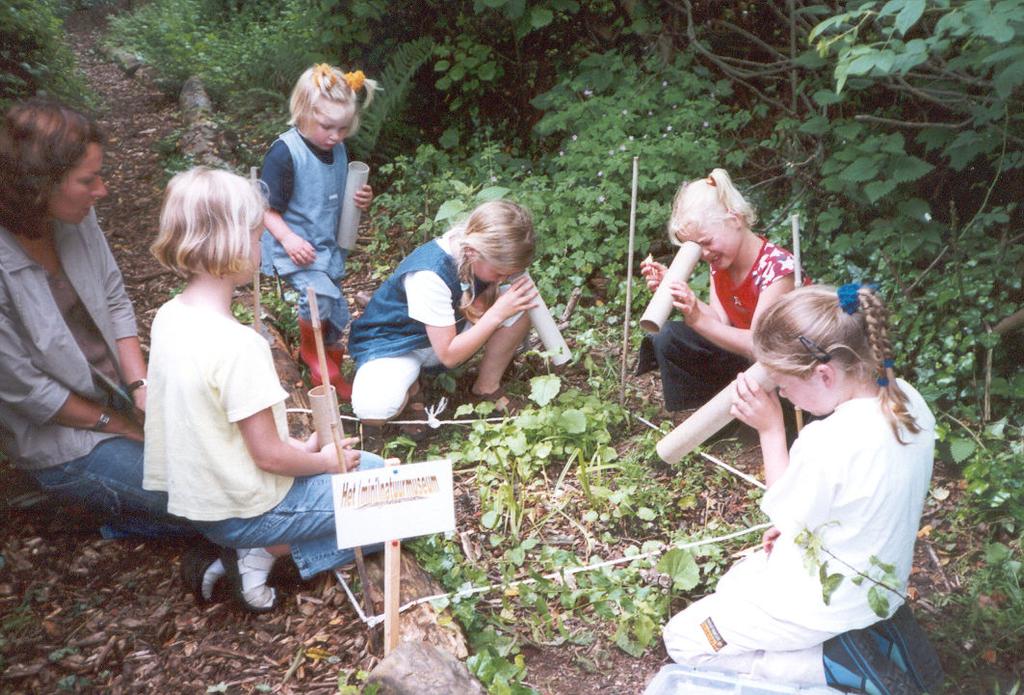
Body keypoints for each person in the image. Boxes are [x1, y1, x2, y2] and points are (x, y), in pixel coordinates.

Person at [662, 284, 939, 692]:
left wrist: (771, 431)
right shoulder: (908, 401)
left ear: (825, 374)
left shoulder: (828, 440)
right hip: (876, 586)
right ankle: (861, 641)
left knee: (684, 638)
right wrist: (794, 527)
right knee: (738, 580)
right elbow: (852, 501)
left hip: (827, 601)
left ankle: (834, 666)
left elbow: (785, 514)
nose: (783, 393)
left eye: (783, 383)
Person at [144, 167, 385, 613]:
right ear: (232, 243)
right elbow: (269, 457)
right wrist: (321, 462)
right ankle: (267, 555)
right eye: (257, 236)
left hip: (204, 504)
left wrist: (302, 449)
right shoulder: (238, 345)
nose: (262, 246)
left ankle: (244, 551)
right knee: (388, 491)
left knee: (365, 470)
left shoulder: (168, 317)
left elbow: (212, 427)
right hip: (244, 512)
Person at [0, 98, 188, 537]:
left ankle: (123, 517)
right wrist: (119, 426)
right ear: (38, 184)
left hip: (115, 394)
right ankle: (104, 507)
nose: (102, 190)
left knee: (220, 465)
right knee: (196, 495)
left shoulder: (75, 214)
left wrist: (141, 389)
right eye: (88, 180)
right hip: (61, 436)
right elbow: (28, 392)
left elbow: (115, 298)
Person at [348, 199, 538, 445]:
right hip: (396, 343)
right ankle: (412, 385)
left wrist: (502, 304)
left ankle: (486, 386)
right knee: (374, 408)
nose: (505, 278)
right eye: (500, 272)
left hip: (442, 336)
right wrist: (496, 313)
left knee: (521, 305)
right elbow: (448, 354)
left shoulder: (476, 257)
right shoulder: (430, 274)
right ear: (472, 252)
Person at [637, 168, 807, 412]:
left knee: (770, 370)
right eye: (697, 247)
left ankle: (755, 423)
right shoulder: (721, 262)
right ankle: (704, 418)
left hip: (785, 370)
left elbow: (758, 345)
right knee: (669, 336)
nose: (704, 253)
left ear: (735, 219)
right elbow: (719, 320)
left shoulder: (778, 270)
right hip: (747, 363)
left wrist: (696, 319)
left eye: (706, 242)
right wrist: (682, 297)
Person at [259, 63, 377, 400]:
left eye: (343, 129)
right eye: (328, 127)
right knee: (318, 296)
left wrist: (361, 198)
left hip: (327, 246)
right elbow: (264, 208)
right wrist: (287, 238)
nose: (336, 136)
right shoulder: (285, 153)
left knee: (335, 304)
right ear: (302, 113)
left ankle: (326, 354)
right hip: (296, 247)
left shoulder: (336, 148)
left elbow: (335, 191)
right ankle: (317, 361)